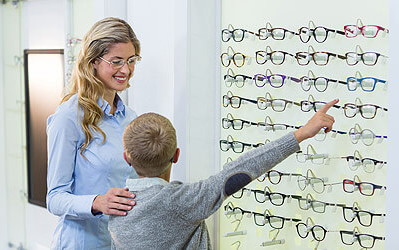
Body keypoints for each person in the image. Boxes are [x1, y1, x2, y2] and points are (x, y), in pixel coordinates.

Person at [108, 99, 338, 250]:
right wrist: (300, 134)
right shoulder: (182, 201)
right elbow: (241, 169)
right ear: (176, 155)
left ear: (127, 157)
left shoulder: (114, 207)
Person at [46, 17, 141, 249]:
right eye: (116, 61)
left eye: (131, 60)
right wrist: (98, 203)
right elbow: (55, 198)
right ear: (94, 62)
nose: (126, 70)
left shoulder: (131, 119)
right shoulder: (69, 117)